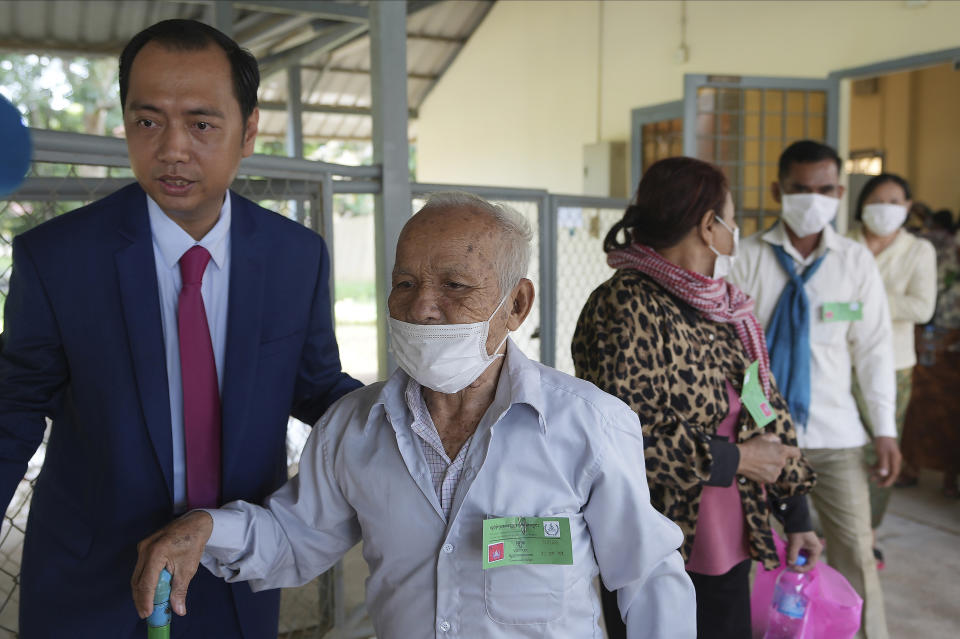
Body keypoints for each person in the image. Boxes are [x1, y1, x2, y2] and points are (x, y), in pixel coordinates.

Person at [131, 192, 697, 639]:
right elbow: (294, 537)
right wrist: (209, 528)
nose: (423, 307)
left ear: (517, 306)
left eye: (455, 285)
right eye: (405, 283)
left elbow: (647, 577)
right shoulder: (353, 428)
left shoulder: (586, 425)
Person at [0, 19, 361, 638]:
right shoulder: (57, 259)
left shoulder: (295, 257)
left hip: (231, 576)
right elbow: (13, 409)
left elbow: (315, 386)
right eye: (147, 121)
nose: (171, 148)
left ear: (247, 131)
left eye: (201, 123)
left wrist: (417, 418)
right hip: (91, 585)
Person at [572, 157, 820, 639]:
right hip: (664, 538)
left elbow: (764, 406)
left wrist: (796, 512)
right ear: (710, 226)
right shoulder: (627, 304)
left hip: (733, 529)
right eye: (732, 219)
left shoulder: (725, 307)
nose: (736, 233)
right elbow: (628, 435)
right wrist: (739, 459)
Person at [728, 140, 899, 639]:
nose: (812, 199)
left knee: (855, 557)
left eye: (824, 189)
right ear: (778, 190)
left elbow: (873, 351)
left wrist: (885, 430)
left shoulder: (854, 262)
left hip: (836, 433)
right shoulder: (747, 258)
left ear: (840, 192)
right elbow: (731, 355)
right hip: (762, 440)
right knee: (760, 557)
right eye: (800, 189)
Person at [847, 173, 936, 561]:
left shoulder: (919, 251)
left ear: (908, 206)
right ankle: (836, 519)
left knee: (881, 448)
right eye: (877, 200)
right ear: (862, 204)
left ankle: (869, 530)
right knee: (840, 445)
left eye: (895, 201)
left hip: (893, 364)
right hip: (840, 359)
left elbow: (922, 307)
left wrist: (862, 304)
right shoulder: (842, 244)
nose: (886, 208)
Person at [901, 209, 960, 498]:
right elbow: (923, 300)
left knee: (952, 418)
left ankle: (951, 477)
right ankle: (910, 467)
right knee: (918, 409)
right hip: (931, 348)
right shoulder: (943, 253)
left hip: (952, 352)